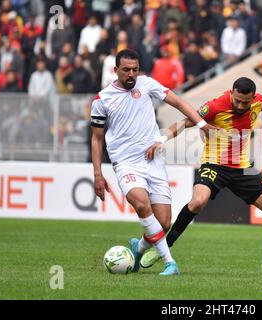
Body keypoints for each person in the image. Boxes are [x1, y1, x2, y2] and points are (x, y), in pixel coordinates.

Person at [139, 77, 262, 277]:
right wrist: (161, 139)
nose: (241, 105)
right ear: (232, 92)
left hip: (244, 168)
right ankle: (163, 247)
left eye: (246, 102)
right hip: (214, 164)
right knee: (197, 202)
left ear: (253, 97)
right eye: (237, 100)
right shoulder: (216, 106)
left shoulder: (259, 101)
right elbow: (183, 122)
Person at [90, 49, 215, 276]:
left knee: (164, 222)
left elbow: (178, 102)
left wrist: (202, 124)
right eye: (126, 70)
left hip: (153, 160)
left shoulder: (146, 84)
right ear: (115, 70)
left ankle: (138, 247)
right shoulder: (102, 99)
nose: (131, 74)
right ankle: (170, 262)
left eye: (135, 70)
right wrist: (98, 174)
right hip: (126, 162)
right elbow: (97, 139)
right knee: (142, 205)